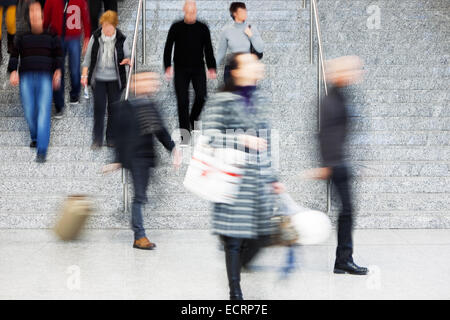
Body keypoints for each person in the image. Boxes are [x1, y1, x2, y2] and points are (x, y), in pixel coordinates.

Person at [201, 53, 284, 300]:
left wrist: (273, 178)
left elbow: (265, 143)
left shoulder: (259, 100)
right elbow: (210, 136)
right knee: (234, 239)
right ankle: (235, 291)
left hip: (257, 182)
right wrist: (241, 138)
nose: (258, 66)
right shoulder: (221, 100)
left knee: (262, 233)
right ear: (236, 72)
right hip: (232, 179)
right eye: (251, 63)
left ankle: (241, 260)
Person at [102, 72, 182, 250]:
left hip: (147, 158)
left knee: (142, 196)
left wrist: (174, 149)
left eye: (152, 81)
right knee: (139, 197)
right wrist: (118, 160)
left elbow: (160, 131)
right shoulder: (123, 107)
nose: (151, 84)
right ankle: (139, 236)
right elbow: (119, 136)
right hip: (134, 158)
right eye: (145, 80)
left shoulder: (151, 106)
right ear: (135, 85)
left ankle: (136, 228)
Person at [310, 55, 368, 275]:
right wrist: (326, 164)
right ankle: (343, 259)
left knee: (347, 211)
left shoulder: (342, 96)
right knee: (347, 211)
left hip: (341, 161)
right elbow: (323, 134)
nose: (356, 74)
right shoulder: (330, 100)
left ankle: (343, 259)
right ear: (340, 74)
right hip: (335, 163)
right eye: (351, 71)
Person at [8, 1, 62, 163]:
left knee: (44, 111)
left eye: (36, 11)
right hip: (26, 78)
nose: (34, 14)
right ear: (29, 16)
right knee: (30, 110)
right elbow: (14, 55)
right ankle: (34, 136)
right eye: (31, 11)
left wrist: (58, 71)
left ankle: (42, 149)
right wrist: (13, 71)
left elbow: (58, 54)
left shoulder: (51, 34)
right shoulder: (22, 35)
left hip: (45, 77)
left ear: (42, 14)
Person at [163, 0, 216, 137]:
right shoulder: (176, 27)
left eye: (193, 12)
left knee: (201, 96)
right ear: (184, 11)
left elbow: (208, 48)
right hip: (181, 69)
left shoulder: (203, 28)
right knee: (182, 100)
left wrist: (211, 67)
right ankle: (185, 134)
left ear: (196, 11)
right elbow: (168, 47)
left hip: (198, 68)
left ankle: (193, 118)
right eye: (189, 12)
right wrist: (167, 66)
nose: (191, 15)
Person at [81, 10, 130, 149]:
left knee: (114, 109)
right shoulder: (95, 37)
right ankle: (97, 139)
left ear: (114, 25)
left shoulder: (121, 39)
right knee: (99, 109)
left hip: (115, 79)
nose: (105, 29)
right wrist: (84, 76)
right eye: (104, 25)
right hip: (99, 79)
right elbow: (87, 60)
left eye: (108, 26)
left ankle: (111, 138)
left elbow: (128, 55)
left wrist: (128, 60)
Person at [44, 0, 91, 117]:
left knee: (74, 69)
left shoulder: (80, 1)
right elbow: (46, 19)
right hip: (57, 38)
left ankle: (74, 94)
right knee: (57, 71)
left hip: (73, 37)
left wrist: (87, 36)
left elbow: (85, 16)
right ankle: (59, 105)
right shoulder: (51, 1)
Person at [217, 2, 264, 82]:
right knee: (230, 94)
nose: (245, 13)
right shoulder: (226, 30)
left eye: (245, 11)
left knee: (246, 93)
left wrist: (251, 36)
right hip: (231, 69)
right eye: (242, 11)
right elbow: (221, 53)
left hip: (247, 69)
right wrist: (212, 69)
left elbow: (260, 49)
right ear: (234, 13)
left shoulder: (251, 28)